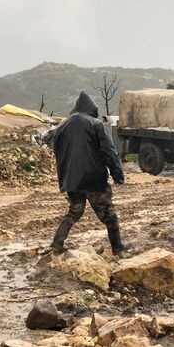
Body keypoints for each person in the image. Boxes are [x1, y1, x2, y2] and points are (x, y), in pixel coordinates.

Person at [50, 91, 131, 255]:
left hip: (72, 181)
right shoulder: (95, 124)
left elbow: (59, 155)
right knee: (109, 215)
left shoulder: (61, 126)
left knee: (74, 211)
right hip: (94, 180)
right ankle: (118, 247)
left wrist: (64, 179)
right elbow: (109, 151)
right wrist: (117, 175)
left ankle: (57, 242)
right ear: (92, 109)